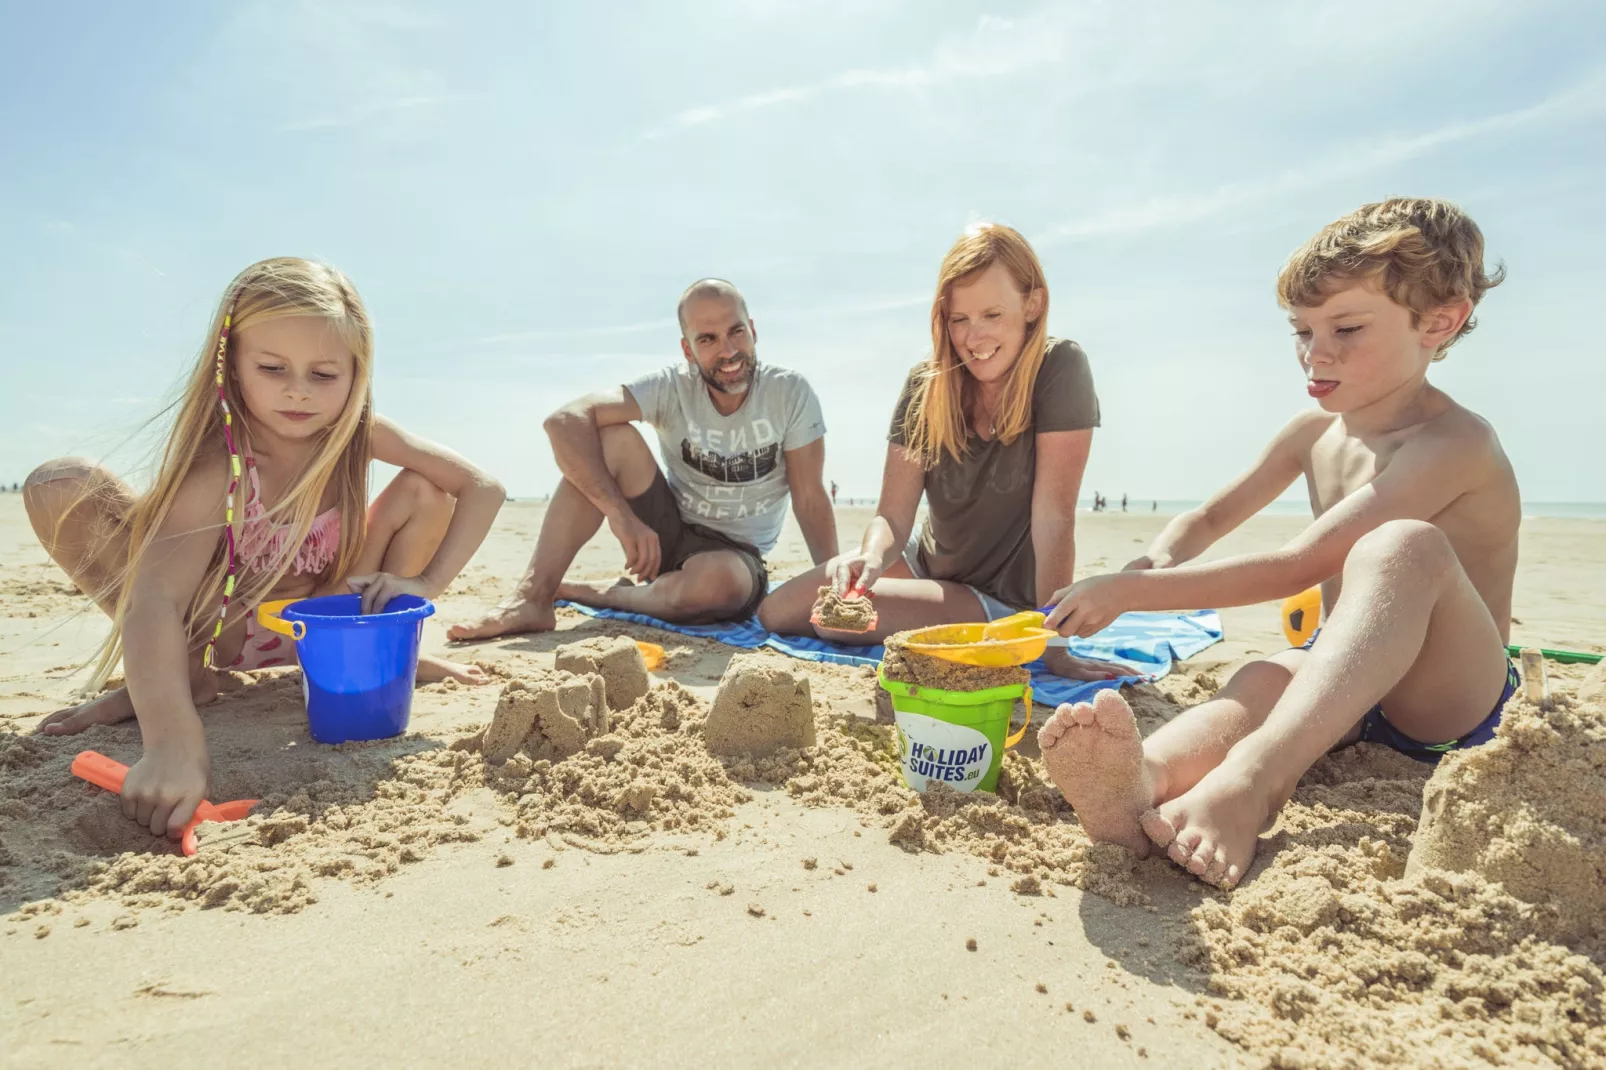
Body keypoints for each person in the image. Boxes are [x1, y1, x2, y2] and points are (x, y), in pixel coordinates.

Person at [1036, 198, 1517, 889]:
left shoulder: (1455, 444)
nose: (1315, 352)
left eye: (1346, 328)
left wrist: (1133, 595)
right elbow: (1206, 518)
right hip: (1346, 684)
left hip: (1449, 700)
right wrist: (1152, 563)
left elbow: (1301, 564)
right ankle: (1141, 779)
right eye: (1302, 330)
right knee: (1264, 677)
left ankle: (1256, 782)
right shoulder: (1312, 434)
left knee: (1403, 547)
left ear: (1440, 323)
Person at [25, 258, 506, 840]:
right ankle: (182, 675)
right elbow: (153, 599)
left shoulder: (358, 437)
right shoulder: (220, 461)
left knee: (427, 492)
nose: (298, 391)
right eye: (273, 368)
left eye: (324, 375)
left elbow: (484, 488)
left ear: (358, 373)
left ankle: (379, 652)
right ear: (232, 365)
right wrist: (172, 743)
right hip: (216, 630)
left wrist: (424, 589)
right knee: (59, 485)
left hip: (322, 630)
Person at [759, 223, 1117, 681]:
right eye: (959, 319)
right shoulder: (926, 383)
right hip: (926, 560)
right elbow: (893, 515)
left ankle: (979, 622)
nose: (974, 337)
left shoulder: (1060, 368)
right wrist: (872, 557)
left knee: (841, 625)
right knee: (778, 610)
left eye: (992, 314)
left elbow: (1054, 518)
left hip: (1000, 594)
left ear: (1033, 304)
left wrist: (1055, 647)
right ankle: (922, 602)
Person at [450, 279, 836, 639]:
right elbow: (563, 421)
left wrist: (835, 590)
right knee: (609, 438)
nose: (729, 351)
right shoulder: (671, 386)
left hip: (734, 558)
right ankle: (532, 597)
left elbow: (809, 496)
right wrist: (621, 517)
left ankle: (603, 594)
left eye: (736, 331)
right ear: (687, 349)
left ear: (752, 329)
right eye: (708, 338)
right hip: (664, 534)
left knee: (718, 584)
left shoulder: (789, 393)